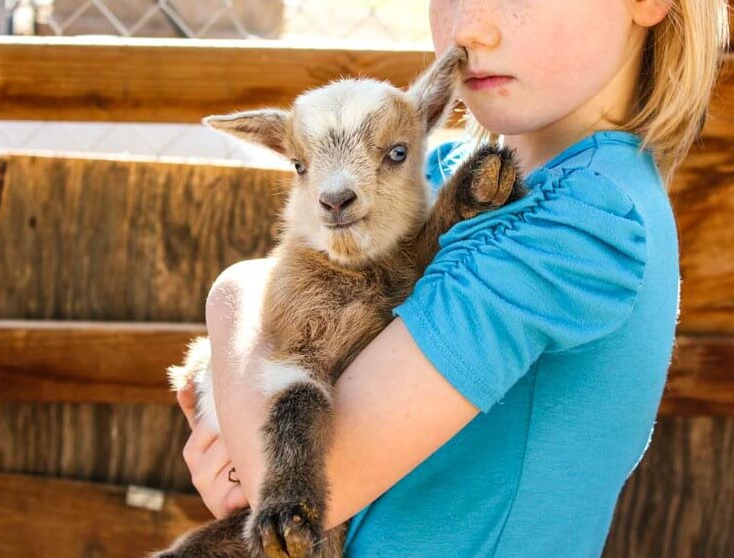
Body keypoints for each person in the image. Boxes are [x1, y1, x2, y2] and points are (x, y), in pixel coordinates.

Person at [176, 1, 729, 556]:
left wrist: (237, 293)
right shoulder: (439, 176)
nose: (467, 28)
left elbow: (312, 486)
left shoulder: (578, 220)